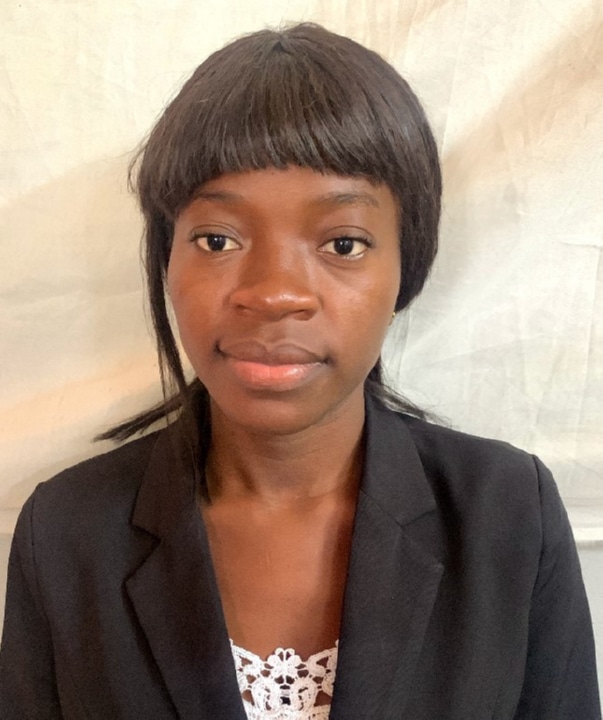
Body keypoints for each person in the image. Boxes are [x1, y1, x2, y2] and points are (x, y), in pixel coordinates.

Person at [0, 22, 599, 720]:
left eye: (343, 243)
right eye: (216, 239)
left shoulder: (508, 514)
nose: (274, 293)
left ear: (406, 270)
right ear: (166, 261)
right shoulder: (66, 532)